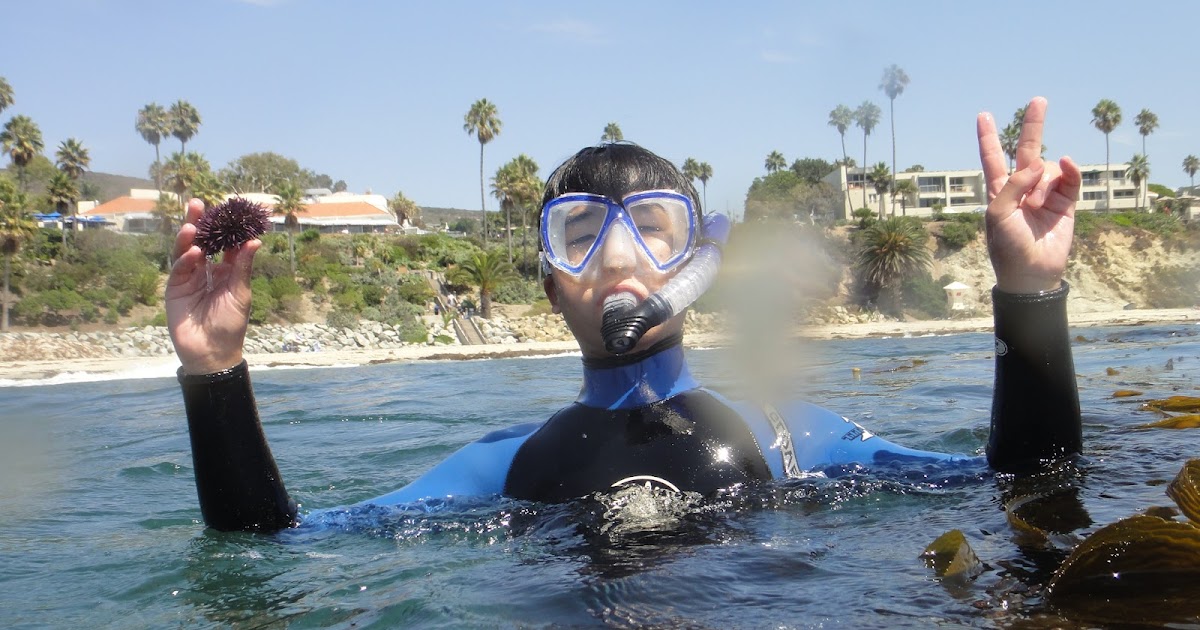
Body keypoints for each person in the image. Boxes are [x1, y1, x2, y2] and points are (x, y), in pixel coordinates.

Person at [167, 97, 1081, 532]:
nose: (613, 259)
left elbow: (1029, 480)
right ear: (548, 279)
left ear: (697, 262)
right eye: (577, 234)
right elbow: (270, 545)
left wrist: (1030, 294)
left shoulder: (793, 435)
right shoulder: (502, 466)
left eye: (651, 228)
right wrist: (213, 375)